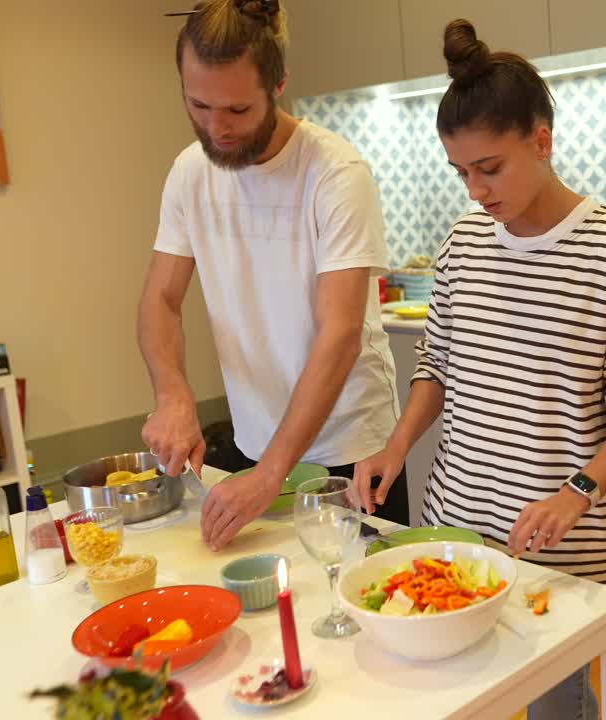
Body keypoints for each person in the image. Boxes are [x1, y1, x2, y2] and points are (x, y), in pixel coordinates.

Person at [351, 19, 606, 719]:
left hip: (564, 536)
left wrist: (576, 493)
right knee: (459, 690)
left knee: (556, 697)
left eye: (490, 168)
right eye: (461, 172)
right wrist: (395, 445)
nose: (475, 190)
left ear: (541, 140)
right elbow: (437, 363)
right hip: (460, 518)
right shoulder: (464, 244)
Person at [138, 0, 407, 551]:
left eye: (237, 109)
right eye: (198, 105)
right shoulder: (190, 173)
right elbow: (161, 299)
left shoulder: (334, 173)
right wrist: (173, 394)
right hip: (257, 442)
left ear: (279, 84)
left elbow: (339, 334)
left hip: (349, 450)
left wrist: (272, 473)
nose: (216, 128)